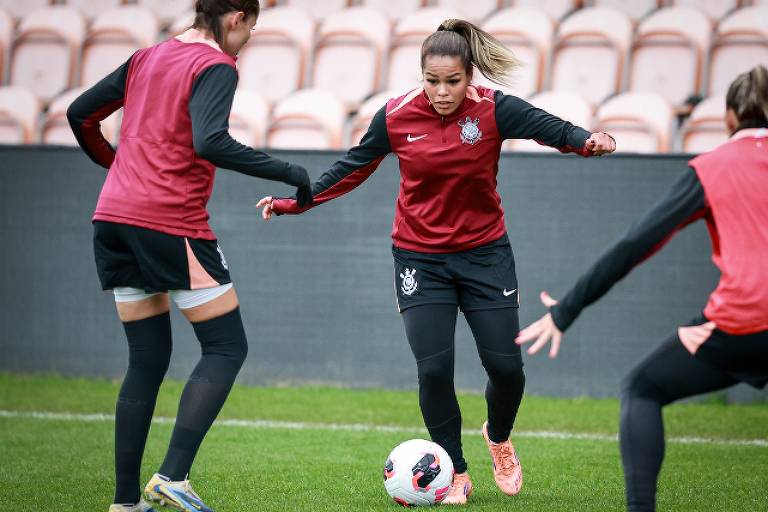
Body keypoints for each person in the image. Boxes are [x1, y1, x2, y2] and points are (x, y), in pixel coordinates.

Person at [256, 19, 615, 505]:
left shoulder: (493, 109)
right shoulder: (396, 116)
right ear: (421, 76)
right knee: (433, 370)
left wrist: (585, 140)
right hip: (420, 259)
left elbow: (546, 126)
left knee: (507, 370)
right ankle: (456, 471)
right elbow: (350, 169)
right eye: (432, 81)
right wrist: (295, 202)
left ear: (470, 77)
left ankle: (499, 437)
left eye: (452, 81)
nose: (442, 92)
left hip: (486, 256)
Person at [67, 1, 312, 511]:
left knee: (147, 359)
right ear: (237, 17)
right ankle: (173, 476)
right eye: (251, 29)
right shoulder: (216, 65)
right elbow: (210, 140)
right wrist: (288, 171)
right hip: (168, 222)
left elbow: (79, 114)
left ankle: (125, 502)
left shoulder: (146, 57)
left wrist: (117, 170)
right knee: (226, 347)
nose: (247, 39)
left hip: (112, 218)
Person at [516, 65, 768, 512]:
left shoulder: (712, 167)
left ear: (728, 119)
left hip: (745, 322)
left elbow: (635, 244)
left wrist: (565, 310)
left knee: (642, 389)